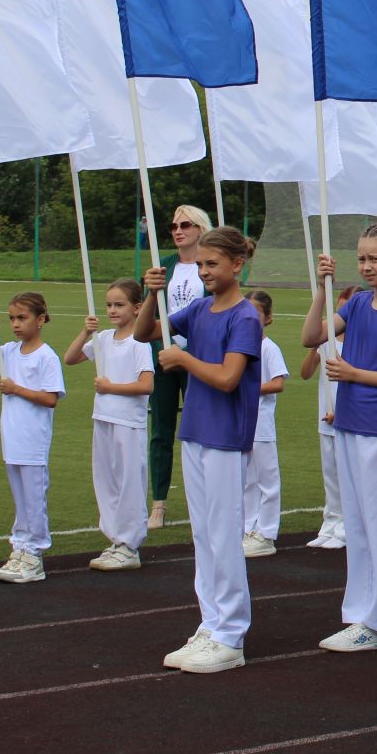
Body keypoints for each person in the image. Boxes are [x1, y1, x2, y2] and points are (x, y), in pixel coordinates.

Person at [137, 226, 263, 673]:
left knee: (224, 534)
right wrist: (152, 294)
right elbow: (143, 333)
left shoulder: (244, 316)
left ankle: (231, 635)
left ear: (236, 264)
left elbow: (229, 378)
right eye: (201, 265)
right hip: (194, 431)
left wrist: (184, 360)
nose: (205, 271)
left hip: (226, 436)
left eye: (212, 264)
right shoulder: (199, 308)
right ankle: (211, 624)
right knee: (204, 535)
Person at [303, 220, 377, 652]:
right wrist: (321, 287)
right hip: (351, 426)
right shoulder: (355, 306)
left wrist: (355, 374)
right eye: (361, 259)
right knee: (356, 525)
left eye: (375, 258)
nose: (367, 266)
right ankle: (358, 615)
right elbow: (310, 336)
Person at [0, 292, 65, 585]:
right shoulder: (7, 351)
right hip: (12, 436)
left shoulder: (46, 356)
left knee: (33, 497)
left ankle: (35, 554)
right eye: (12, 319)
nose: (16, 324)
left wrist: (16, 388)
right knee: (20, 498)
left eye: (22, 318)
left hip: (33, 438)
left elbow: (50, 398)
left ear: (40, 319)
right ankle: (20, 547)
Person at [63, 278, 155, 572]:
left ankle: (130, 544)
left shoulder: (138, 343)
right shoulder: (102, 338)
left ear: (137, 307)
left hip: (128, 421)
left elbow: (146, 385)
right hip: (103, 417)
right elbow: (71, 358)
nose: (112, 310)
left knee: (129, 481)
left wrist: (111, 387)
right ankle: (115, 539)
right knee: (107, 481)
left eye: (119, 305)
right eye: (109, 305)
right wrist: (86, 332)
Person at [146, 204, 212, 531]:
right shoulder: (165, 267)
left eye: (185, 224)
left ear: (200, 229)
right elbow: (152, 315)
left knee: (198, 430)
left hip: (199, 358)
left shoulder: (208, 267)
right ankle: (158, 503)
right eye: (173, 226)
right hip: (164, 356)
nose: (177, 230)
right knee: (161, 431)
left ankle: (202, 498)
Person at [300, 285, 354, 550]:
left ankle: (347, 524)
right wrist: (316, 348)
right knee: (330, 475)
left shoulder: (358, 342)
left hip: (348, 418)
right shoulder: (327, 342)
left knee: (347, 475)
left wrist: (342, 411)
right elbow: (306, 373)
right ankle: (330, 521)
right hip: (326, 416)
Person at [241, 291, 290, 559]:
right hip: (243, 422)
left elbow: (278, 383)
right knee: (248, 480)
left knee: (267, 480)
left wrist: (249, 388)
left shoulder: (269, 348)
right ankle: (249, 528)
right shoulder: (239, 347)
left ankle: (267, 532)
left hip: (262, 425)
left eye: (256, 314)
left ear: (267, 318)